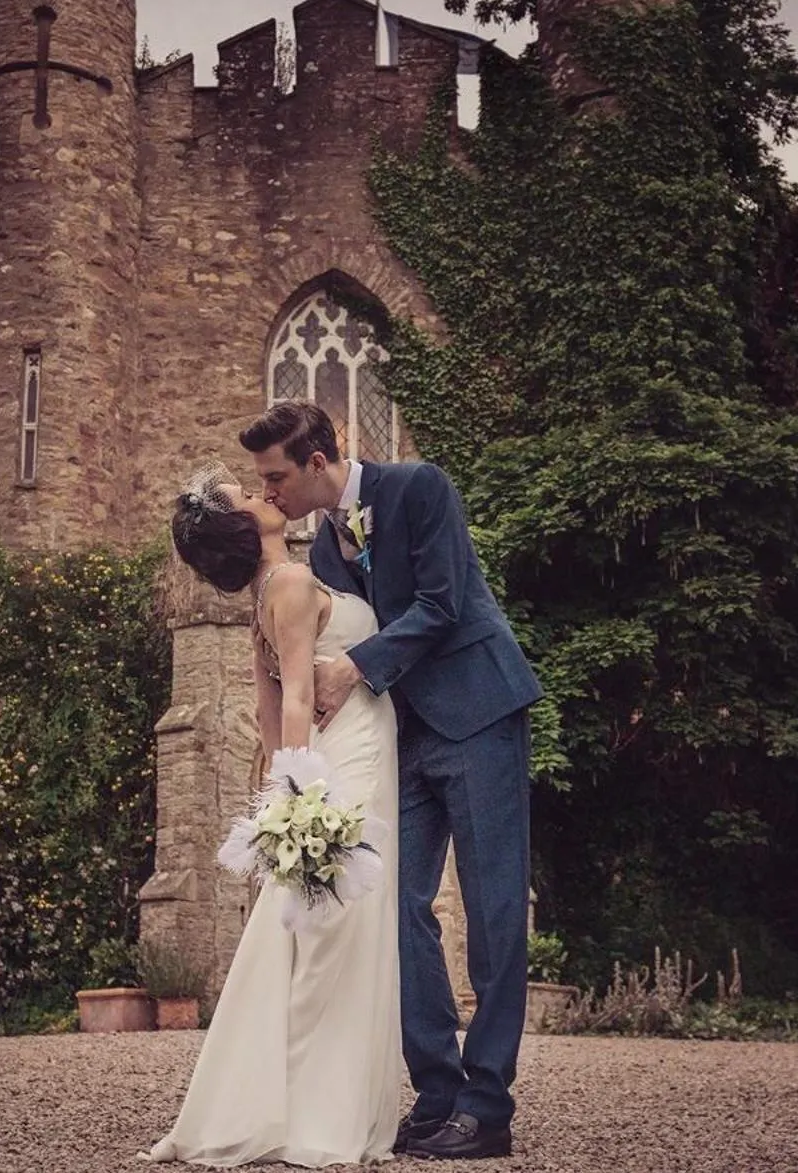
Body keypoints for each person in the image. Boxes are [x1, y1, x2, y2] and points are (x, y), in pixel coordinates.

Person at [243, 401, 542, 1162]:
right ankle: (437, 1092)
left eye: (275, 476)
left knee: (494, 911)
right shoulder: (326, 551)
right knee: (394, 908)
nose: (269, 490)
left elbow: (442, 604)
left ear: (316, 462)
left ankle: (487, 1106)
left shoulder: (419, 487)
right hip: (404, 738)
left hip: (479, 712)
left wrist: (353, 668)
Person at [147, 464, 403, 1168]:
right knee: (340, 932)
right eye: (244, 495)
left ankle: (289, 1101)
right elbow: (293, 700)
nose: (261, 493)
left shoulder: (267, 596)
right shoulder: (288, 583)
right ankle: (318, 1115)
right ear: (238, 524)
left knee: (321, 929)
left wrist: (280, 788)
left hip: (341, 753)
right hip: (347, 759)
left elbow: (267, 713)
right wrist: (300, 795)